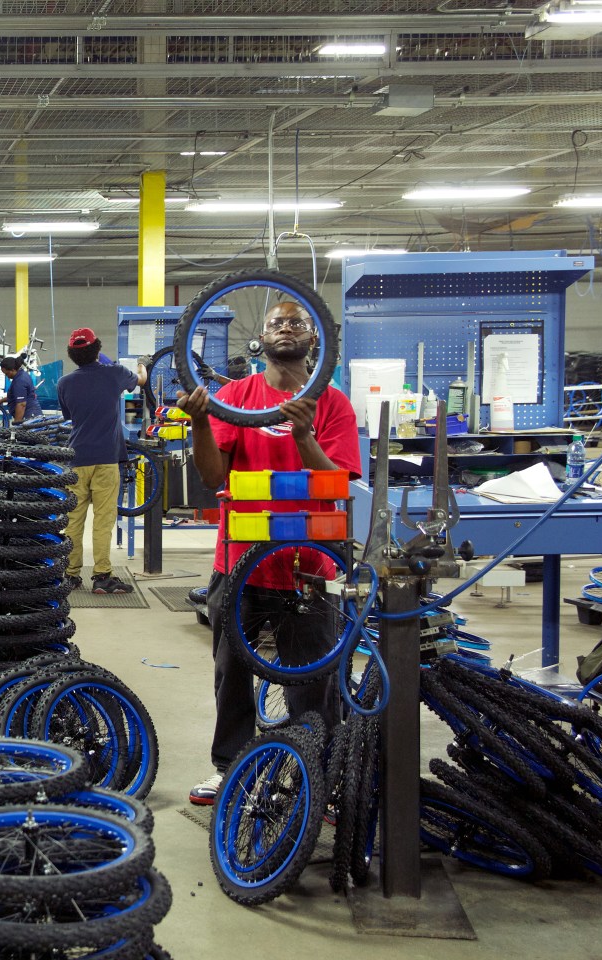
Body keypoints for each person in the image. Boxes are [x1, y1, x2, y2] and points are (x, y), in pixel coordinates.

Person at [176, 299, 361, 805]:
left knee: (313, 681)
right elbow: (216, 478)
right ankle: (231, 767)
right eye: (277, 321)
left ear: (313, 337)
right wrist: (198, 424)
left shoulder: (333, 404)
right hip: (240, 559)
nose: (286, 328)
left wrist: (303, 435)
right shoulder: (238, 396)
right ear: (262, 335)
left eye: (296, 321)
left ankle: (313, 778)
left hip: (311, 567)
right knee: (231, 673)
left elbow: (340, 485)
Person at [56, 327, 146, 595]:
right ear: (98, 348)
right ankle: (102, 576)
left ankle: (71, 575)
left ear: (72, 355)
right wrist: (142, 364)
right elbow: (141, 380)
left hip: (76, 459)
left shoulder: (64, 383)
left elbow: (69, 415)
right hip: (106, 459)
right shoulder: (115, 374)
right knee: (104, 520)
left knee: (73, 519)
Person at [0, 354, 42, 425]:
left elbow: (21, 404)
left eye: (7, 373)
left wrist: (17, 424)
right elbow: (17, 395)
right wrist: (2, 400)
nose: (7, 376)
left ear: (12, 370)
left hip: (29, 417)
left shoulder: (20, 381)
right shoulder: (21, 375)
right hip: (31, 414)